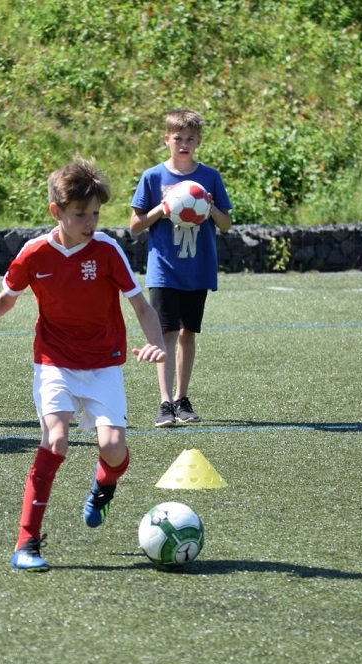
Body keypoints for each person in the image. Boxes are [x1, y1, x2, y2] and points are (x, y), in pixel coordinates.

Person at [0, 157, 167, 572]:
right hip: (54, 360)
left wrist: (156, 344)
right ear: (56, 212)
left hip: (103, 364)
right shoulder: (35, 252)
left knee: (113, 450)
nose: (90, 222)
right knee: (56, 439)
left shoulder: (107, 250)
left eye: (95, 213)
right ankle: (27, 542)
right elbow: (7, 298)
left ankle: (105, 483)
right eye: (80, 214)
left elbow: (141, 306)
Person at [129, 108, 232, 428]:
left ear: (199, 142)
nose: (184, 144)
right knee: (167, 334)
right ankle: (164, 403)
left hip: (198, 268)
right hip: (164, 269)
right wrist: (163, 208)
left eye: (190, 139)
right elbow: (135, 225)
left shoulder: (210, 177)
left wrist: (208, 206)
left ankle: (181, 399)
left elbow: (226, 224)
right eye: (178, 138)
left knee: (188, 333)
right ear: (167, 140)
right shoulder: (153, 177)